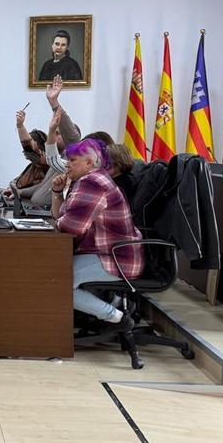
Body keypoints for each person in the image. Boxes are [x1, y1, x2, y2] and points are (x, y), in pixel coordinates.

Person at [52, 138, 143, 330]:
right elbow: (60, 216)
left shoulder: (92, 182)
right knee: (53, 273)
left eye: (72, 160)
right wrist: (57, 192)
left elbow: (70, 226)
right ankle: (116, 304)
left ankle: (116, 317)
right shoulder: (91, 178)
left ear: (89, 163)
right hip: (108, 254)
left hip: (116, 259)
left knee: (55, 280)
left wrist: (59, 221)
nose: (67, 164)